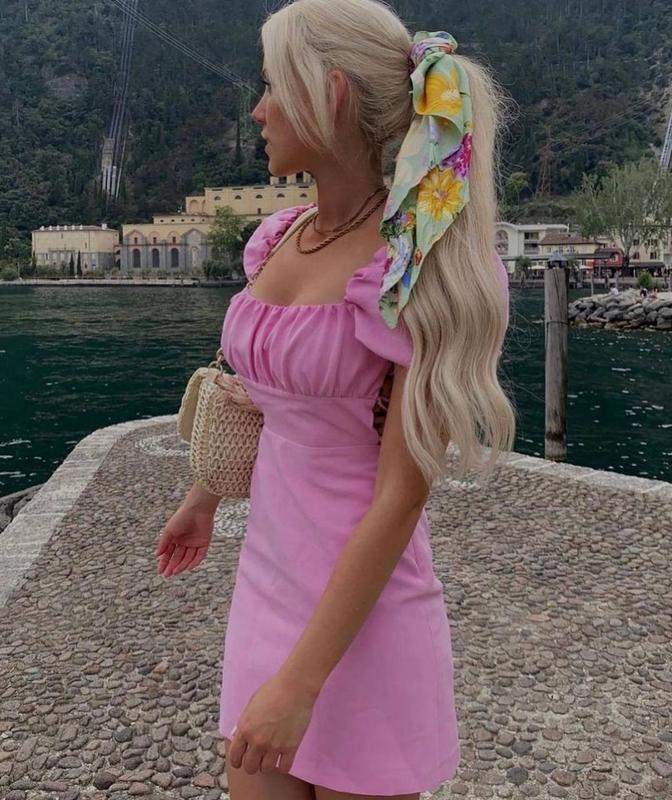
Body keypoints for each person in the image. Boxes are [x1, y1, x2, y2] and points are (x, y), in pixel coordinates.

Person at [155, 1, 515, 798]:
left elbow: (400, 498)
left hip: (366, 614)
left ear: (330, 92)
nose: (258, 111)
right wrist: (204, 496)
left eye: (270, 86)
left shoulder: (415, 266)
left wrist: (300, 683)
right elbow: (263, 398)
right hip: (267, 583)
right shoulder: (279, 239)